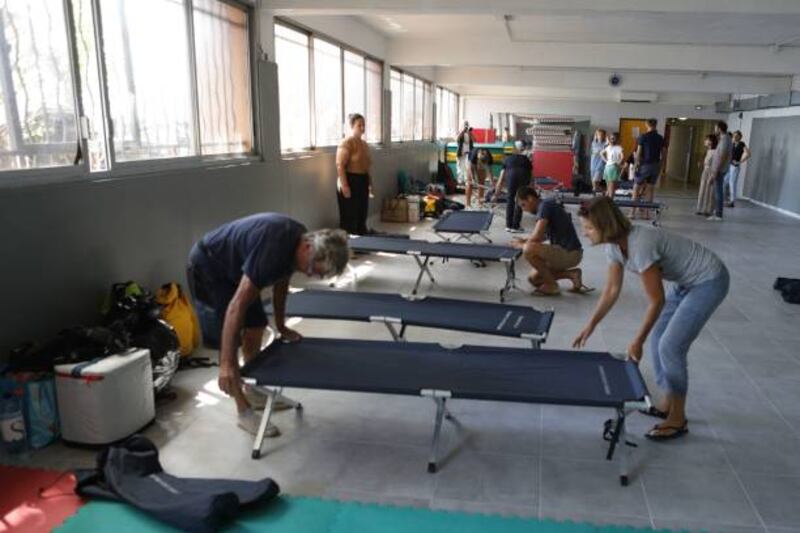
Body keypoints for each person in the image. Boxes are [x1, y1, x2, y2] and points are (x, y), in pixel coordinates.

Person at [573, 197, 728, 440]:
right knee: (659, 339)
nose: (585, 233)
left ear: (607, 225)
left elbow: (657, 301)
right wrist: (591, 324)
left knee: (671, 346)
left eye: (590, 228)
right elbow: (612, 289)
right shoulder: (613, 246)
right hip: (686, 281)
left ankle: (677, 419)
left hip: (709, 280)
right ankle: (667, 404)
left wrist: (637, 341)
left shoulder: (640, 245)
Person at [186, 214, 349, 436]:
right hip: (209, 266)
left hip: (237, 268)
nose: (307, 273)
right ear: (308, 246)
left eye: (314, 274)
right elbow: (235, 308)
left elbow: (281, 284)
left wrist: (281, 326)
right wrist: (225, 364)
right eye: (311, 269)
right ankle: (243, 411)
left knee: (256, 326)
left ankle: (251, 387)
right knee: (231, 342)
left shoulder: (297, 240)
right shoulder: (272, 250)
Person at [512, 186, 592, 295]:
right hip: (566, 252)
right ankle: (572, 274)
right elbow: (544, 236)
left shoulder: (545, 206)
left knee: (528, 249)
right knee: (534, 279)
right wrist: (525, 240)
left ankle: (552, 286)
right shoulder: (545, 206)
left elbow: (537, 237)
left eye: (523, 205)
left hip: (570, 253)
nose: (524, 210)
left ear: (530, 198)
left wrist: (521, 244)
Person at [336, 113, 372, 235]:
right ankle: (349, 246)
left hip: (362, 180)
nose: (362, 128)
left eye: (363, 125)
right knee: (349, 215)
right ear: (352, 127)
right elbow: (340, 165)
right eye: (359, 125)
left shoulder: (364, 144)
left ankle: (362, 242)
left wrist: (370, 184)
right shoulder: (347, 142)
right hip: (349, 180)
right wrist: (345, 186)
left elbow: (366, 166)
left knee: (362, 213)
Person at [493, 140, 532, 232]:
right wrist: (531, 189)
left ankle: (508, 225)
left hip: (511, 175)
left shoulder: (507, 159)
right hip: (523, 174)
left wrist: (496, 194)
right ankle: (516, 226)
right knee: (520, 198)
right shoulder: (526, 159)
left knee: (510, 199)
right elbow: (532, 175)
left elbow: (501, 178)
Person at [632, 119, 665, 219]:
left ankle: (632, 212)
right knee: (650, 189)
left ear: (647, 125)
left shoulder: (643, 136)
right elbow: (664, 153)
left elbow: (638, 152)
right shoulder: (660, 138)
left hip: (645, 165)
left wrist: (635, 165)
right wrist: (661, 165)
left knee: (636, 187)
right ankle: (646, 214)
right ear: (656, 125)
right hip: (656, 165)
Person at [709, 121, 732, 221]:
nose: (714, 130)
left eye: (715, 128)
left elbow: (723, 156)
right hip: (719, 169)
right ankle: (716, 212)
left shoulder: (725, 140)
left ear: (719, 129)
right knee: (717, 191)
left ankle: (718, 214)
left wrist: (716, 171)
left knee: (718, 192)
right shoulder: (723, 139)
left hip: (720, 170)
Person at [724, 131, 751, 207]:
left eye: (736, 136)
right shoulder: (732, 144)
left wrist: (739, 162)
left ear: (740, 137)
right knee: (725, 181)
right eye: (734, 136)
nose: (735, 137)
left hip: (735, 167)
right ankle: (725, 199)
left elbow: (749, 154)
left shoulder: (742, 144)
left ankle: (732, 202)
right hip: (729, 165)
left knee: (732, 183)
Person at [695, 134, 718, 217]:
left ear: (711, 141)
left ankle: (708, 210)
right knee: (702, 190)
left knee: (709, 191)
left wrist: (712, 175)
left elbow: (715, 164)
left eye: (707, 139)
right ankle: (700, 209)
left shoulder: (715, 151)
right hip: (705, 171)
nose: (705, 141)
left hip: (710, 172)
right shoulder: (708, 151)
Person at [600, 132, 624, 199]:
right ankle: (610, 203)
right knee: (612, 189)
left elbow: (601, 153)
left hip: (607, 167)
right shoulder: (619, 147)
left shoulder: (608, 147)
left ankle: (607, 202)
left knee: (608, 188)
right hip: (613, 167)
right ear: (618, 139)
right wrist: (618, 164)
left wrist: (606, 161)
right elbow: (622, 157)